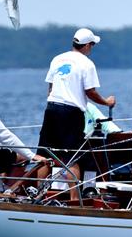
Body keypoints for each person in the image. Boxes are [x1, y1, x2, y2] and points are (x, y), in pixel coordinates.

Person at [37, 28, 116, 201]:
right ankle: (74, 200)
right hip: (70, 113)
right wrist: (107, 102)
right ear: (87, 45)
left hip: (51, 108)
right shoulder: (87, 64)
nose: (92, 48)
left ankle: (39, 195)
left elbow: (50, 88)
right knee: (72, 157)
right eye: (92, 45)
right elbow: (91, 92)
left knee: (44, 155)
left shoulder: (57, 59)